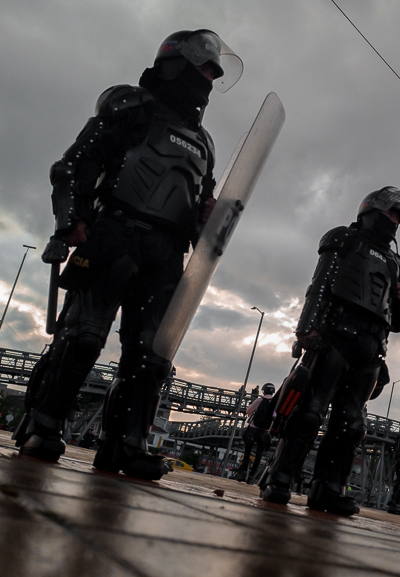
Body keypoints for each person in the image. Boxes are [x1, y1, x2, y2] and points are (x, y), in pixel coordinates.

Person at [13, 30, 242, 481]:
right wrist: (71, 220)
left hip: (166, 254)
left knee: (151, 358)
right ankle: (43, 424)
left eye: (214, 74)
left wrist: (208, 220)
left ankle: (125, 444)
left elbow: (200, 202)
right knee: (83, 337)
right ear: (175, 64)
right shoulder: (129, 106)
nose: (209, 81)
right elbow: (77, 164)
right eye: (203, 69)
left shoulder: (204, 144)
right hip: (113, 233)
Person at [259, 186, 400, 515]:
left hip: (370, 349)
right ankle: (279, 479)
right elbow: (319, 285)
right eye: (390, 213)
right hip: (335, 336)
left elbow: (398, 320)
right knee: (308, 414)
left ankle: (328, 489)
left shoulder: (395, 265)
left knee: (351, 426)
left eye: (398, 218)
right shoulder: (343, 241)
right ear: (371, 211)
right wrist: (307, 329)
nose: (394, 221)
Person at [236, 383, 275, 484]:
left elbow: (248, 411)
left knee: (247, 452)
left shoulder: (259, 400)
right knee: (259, 456)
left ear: (263, 391)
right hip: (265, 432)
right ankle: (251, 477)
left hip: (253, 430)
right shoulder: (275, 402)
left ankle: (243, 473)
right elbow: (276, 416)